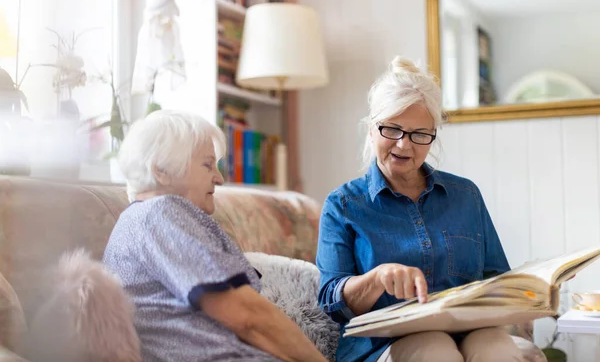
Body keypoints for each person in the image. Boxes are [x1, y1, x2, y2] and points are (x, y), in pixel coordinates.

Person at [316, 57, 524, 362]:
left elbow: (497, 277)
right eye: (392, 130)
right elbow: (331, 300)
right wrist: (376, 279)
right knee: (433, 348)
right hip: (383, 346)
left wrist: (535, 287)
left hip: (469, 333)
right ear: (372, 128)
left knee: (497, 346)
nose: (404, 145)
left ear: (432, 136)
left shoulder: (466, 196)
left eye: (419, 134)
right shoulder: (343, 205)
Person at [103, 110, 327, 362]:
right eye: (208, 165)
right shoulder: (160, 212)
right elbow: (247, 316)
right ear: (161, 170)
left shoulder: (141, 220)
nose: (219, 178)